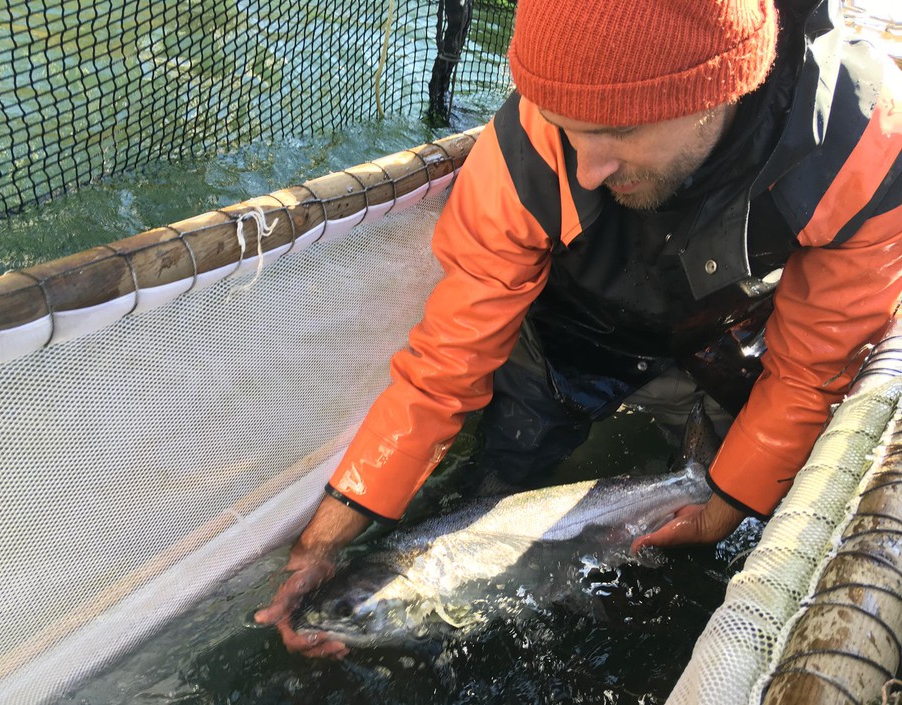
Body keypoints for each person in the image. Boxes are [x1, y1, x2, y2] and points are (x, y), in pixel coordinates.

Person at [256, 0, 902, 658]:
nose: (585, 164)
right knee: (493, 478)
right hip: (572, 336)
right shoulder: (523, 147)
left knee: (741, 519)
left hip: (721, 342)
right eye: (568, 128)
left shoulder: (861, 151)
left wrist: (726, 502)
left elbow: (810, 369)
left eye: (616, 131)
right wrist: (325, 540)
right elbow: (443, 370)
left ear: (717, 90)